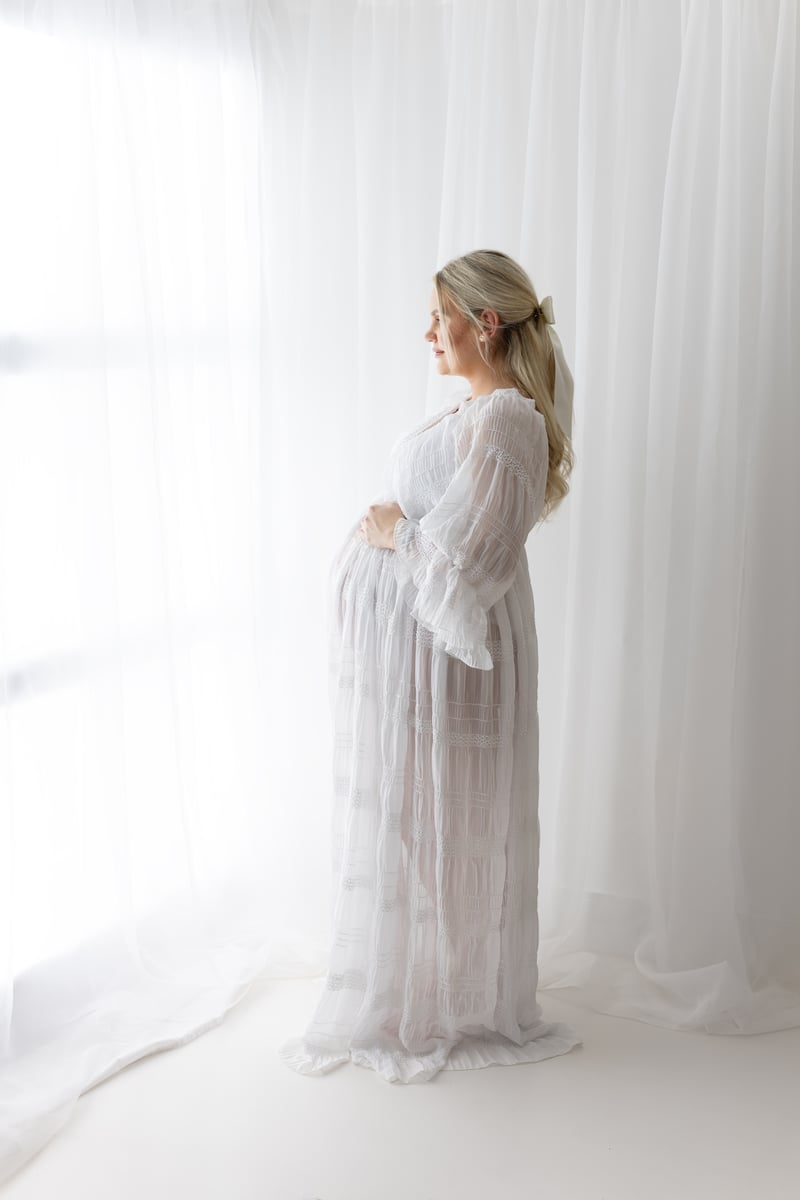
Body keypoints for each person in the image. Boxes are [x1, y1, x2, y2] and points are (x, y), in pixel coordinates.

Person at [279, 249, 582, 1083]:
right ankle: (417, 983)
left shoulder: (507, 420)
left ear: (484, 323)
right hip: (419, 655)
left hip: (450, 658)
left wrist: (390, 535)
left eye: (438, 314)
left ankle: (448, 999)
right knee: (418, 818)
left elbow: (472, 567)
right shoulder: (472, 415)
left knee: (444, 817)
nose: (427, 331)